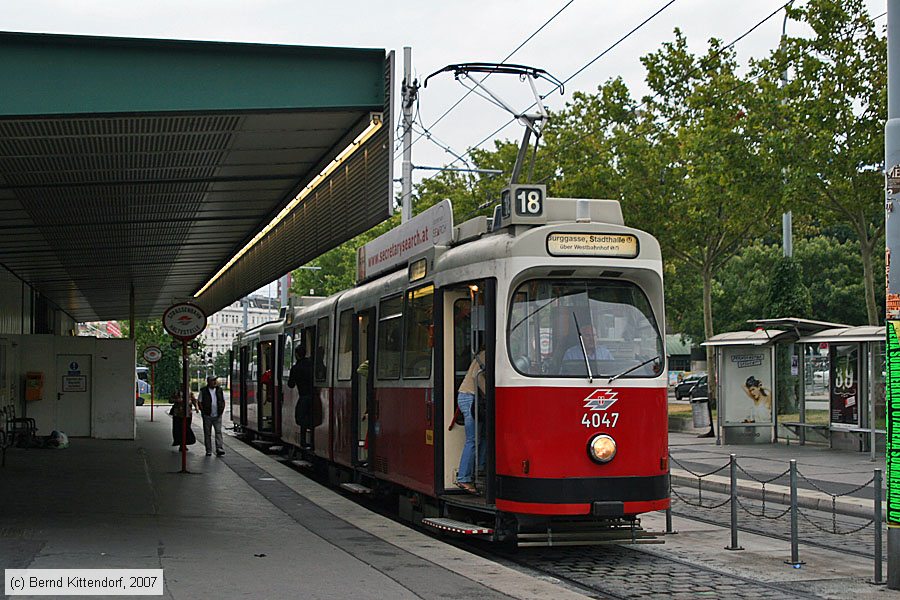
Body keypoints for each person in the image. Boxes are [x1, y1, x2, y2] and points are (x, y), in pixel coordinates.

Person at [456, 349, 486, 494]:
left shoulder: (483, 353)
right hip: (471, 398)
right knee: (473, 439)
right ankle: (464, 477)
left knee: (483, 436)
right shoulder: (486, 354)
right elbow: (478, 377)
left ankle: (479, 469)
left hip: (470, 397)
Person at [287, 345, 314, 448]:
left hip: (303, 396)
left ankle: (303, 441)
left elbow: (291, 384)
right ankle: (311, 439)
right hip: (313, 396)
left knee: (301, 419)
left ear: (296, 355)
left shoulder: (295, 368)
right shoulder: (311, 365)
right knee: (311, 418)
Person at [198, 376, 226, 456]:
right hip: (207, 415)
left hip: (217, 415)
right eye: (212, 381)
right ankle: (208, 450)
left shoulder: (219, 390)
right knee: (207, 433)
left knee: (218, 432)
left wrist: (221, 410)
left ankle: (219, 448)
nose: (214, 382)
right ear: (208, 382)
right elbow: (199, 402)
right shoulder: (203, 391)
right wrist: (203, 412)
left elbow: (223, 401)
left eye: (215, 381)